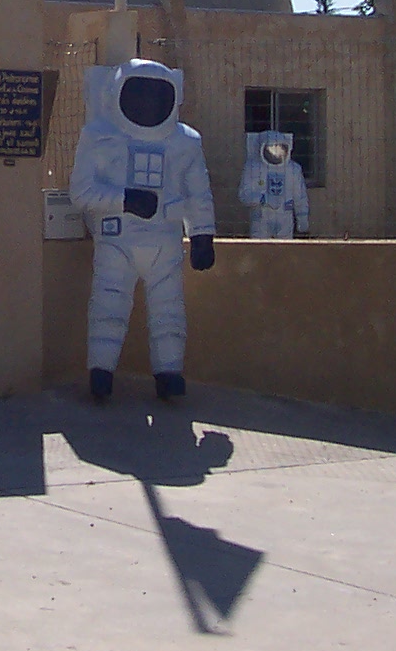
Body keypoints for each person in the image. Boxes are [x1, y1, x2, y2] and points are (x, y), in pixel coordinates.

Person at [67, 58, 215, 401]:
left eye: (155, 95)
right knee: (108, 305)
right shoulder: (100, 137)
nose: (148, 103)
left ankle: (169, 373)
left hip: (165, 238)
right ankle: (101, 373)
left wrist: (203, 234)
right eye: (140, 94)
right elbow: (81, 192)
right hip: (117, 238)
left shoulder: (185, 142)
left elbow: (198, 193)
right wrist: (125, 200)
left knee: (169, 309)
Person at [239, 130, 309, 238]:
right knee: (260, 250)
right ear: (263, 148)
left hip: (285, 217)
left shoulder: (293, 170)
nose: (276, 153)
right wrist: (263, 199)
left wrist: (302, 217)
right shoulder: (253, 168)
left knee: (283, 250)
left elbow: (300, 196)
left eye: (279, 148)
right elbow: (244, 195)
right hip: (261, 217)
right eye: (271, 149)